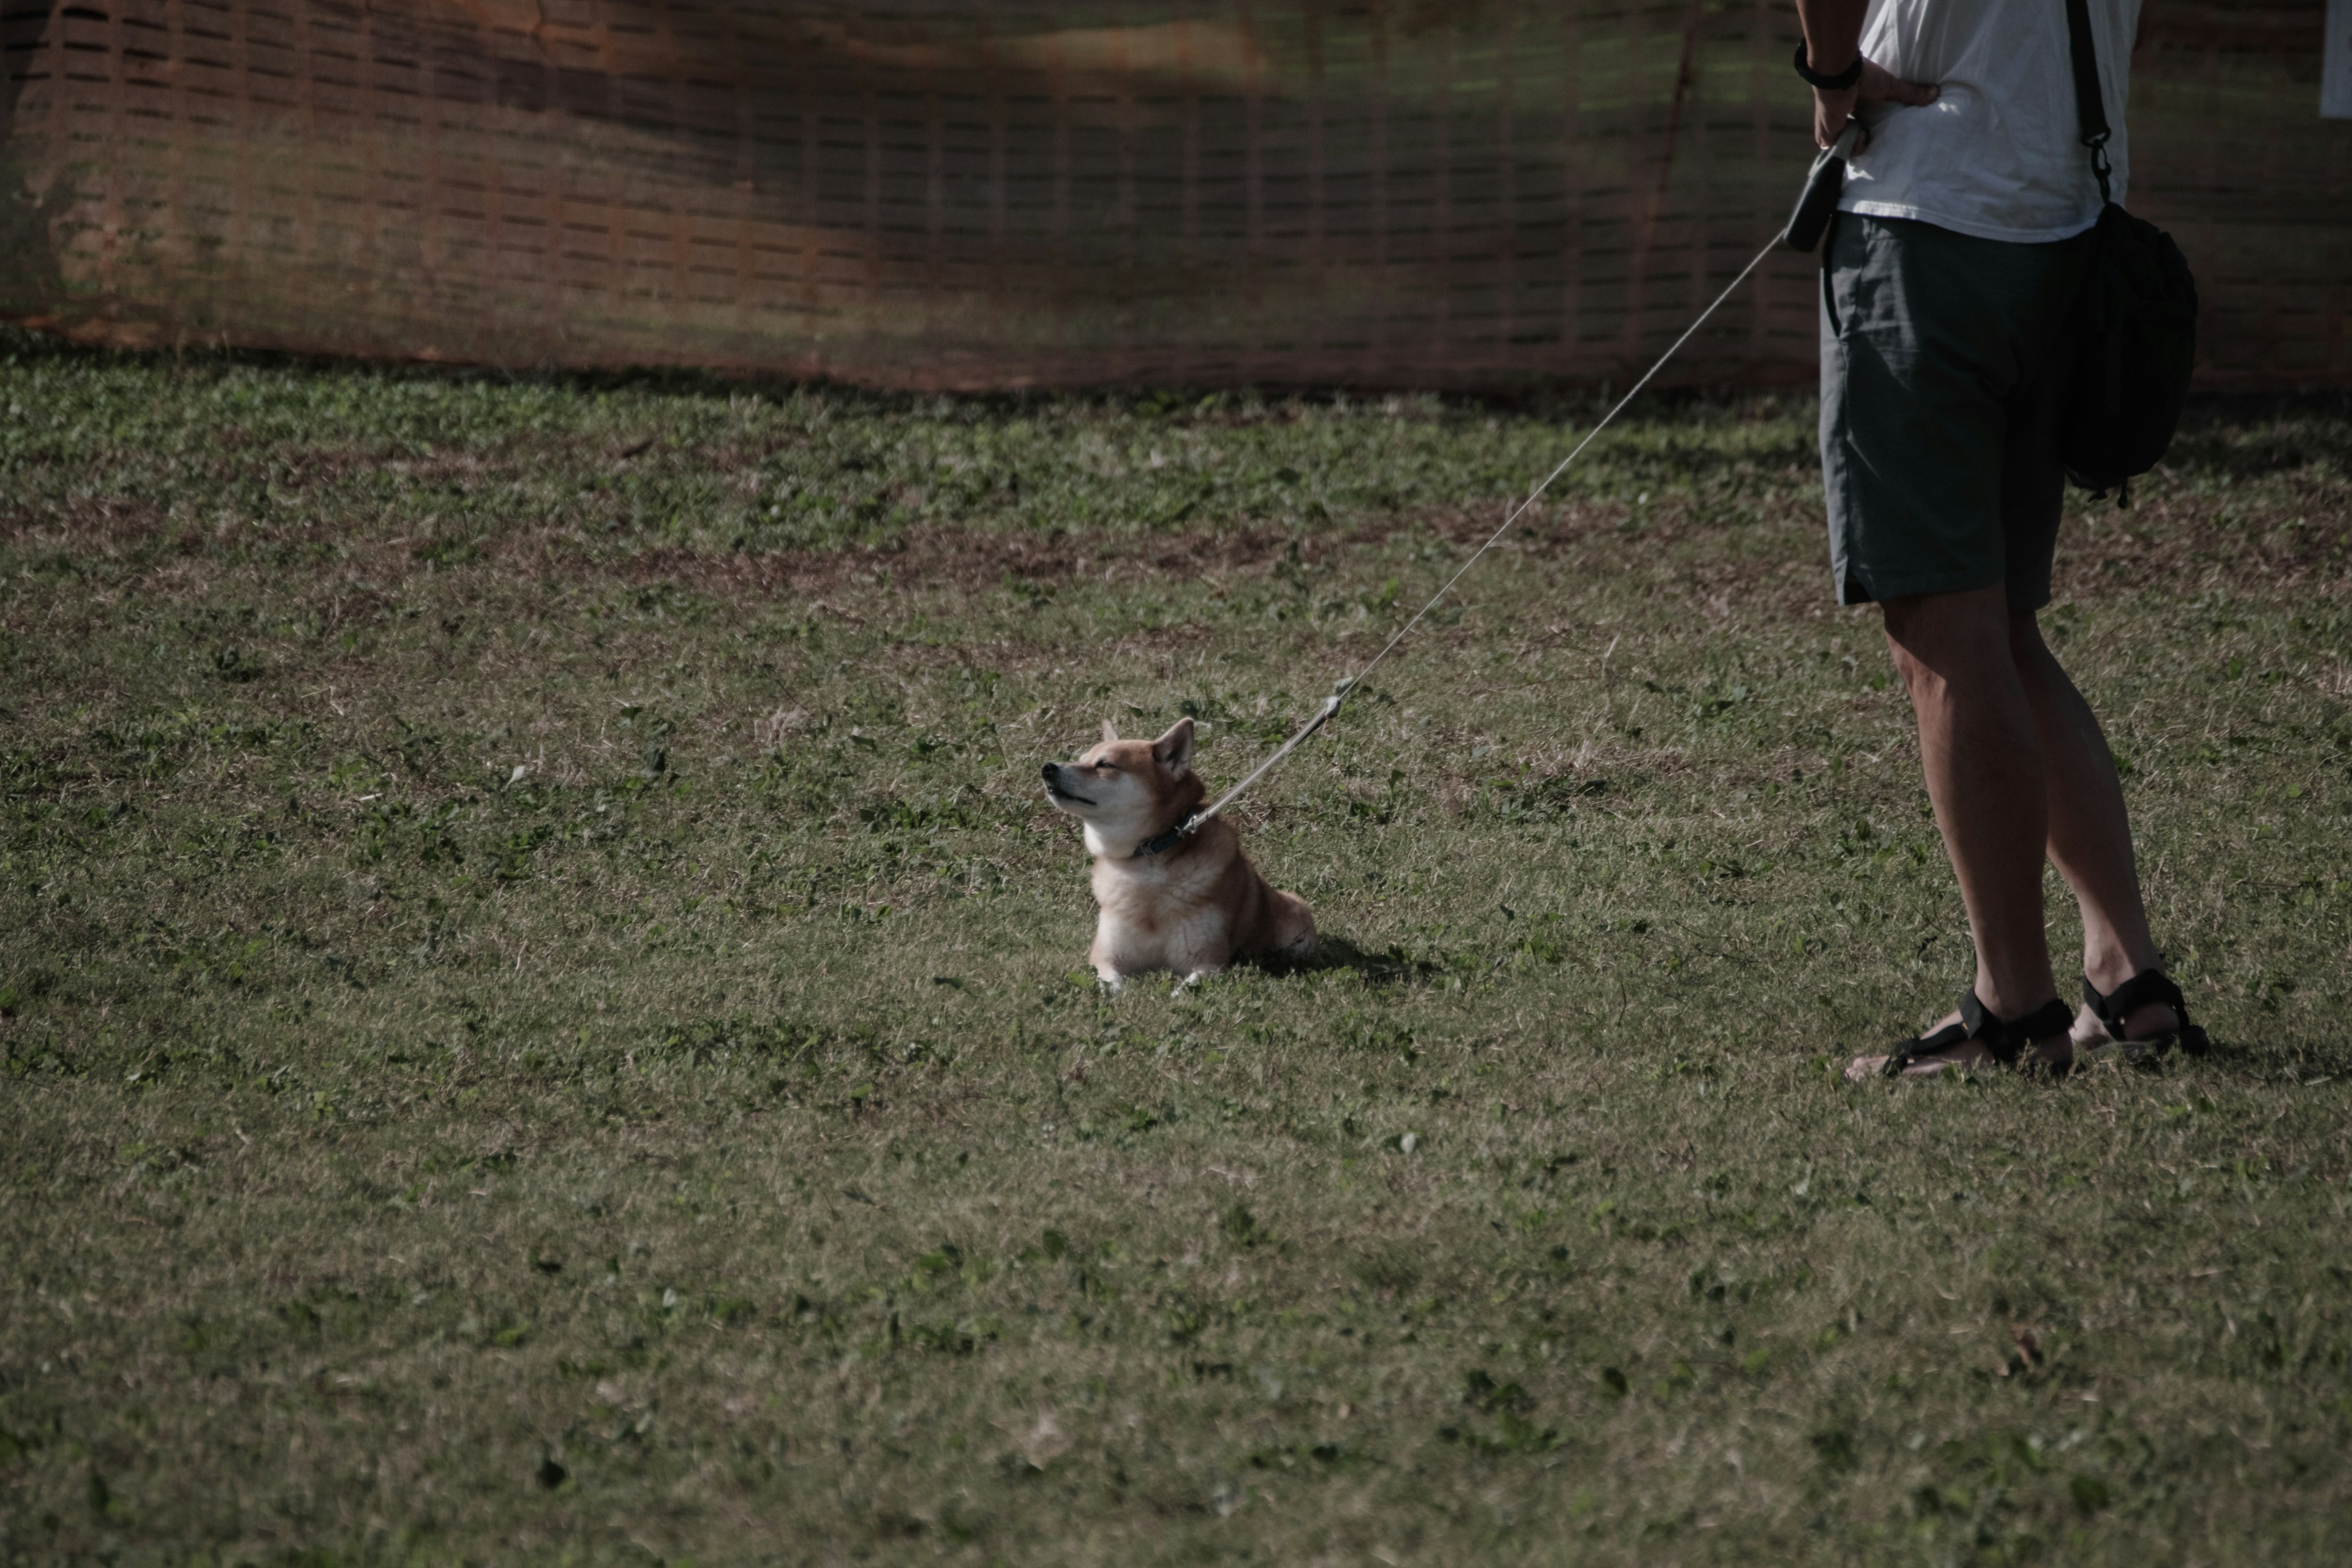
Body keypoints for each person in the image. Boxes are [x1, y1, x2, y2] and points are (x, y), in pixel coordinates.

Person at [1790, 0, 2209, 1079]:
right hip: (2068, 216)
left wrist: (1831, 72)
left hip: (1934, 220)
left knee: (1944, 624)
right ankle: (2127, 978)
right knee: (2002, 627)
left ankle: (2012, 1010)